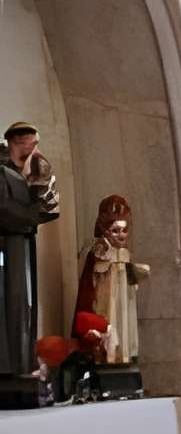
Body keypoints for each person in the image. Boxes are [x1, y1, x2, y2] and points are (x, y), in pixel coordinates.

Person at [0, 122, 60, 380]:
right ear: (17, 142)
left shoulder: (31, 168)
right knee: (9, 303)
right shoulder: (2, 172)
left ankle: (22, 365)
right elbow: (3, 208)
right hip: (6, 243)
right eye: (31, 144)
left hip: (23, 241)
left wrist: (42, 186)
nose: (36, 149)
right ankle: (7, 367)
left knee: (24, 304)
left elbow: (50, 206)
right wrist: (31, 216)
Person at [74, 194, 149, 366]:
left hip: (124, 301)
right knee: (109, 330)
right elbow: (90, 284)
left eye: (124, 230)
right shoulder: (99, 251)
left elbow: (130, 282)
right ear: (105, 230)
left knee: (124, 330)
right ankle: (106, 357)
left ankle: (124, 356)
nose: (121, 235)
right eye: (115, 230)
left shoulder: (125, 253)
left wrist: (135, 273)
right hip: (105, 301)